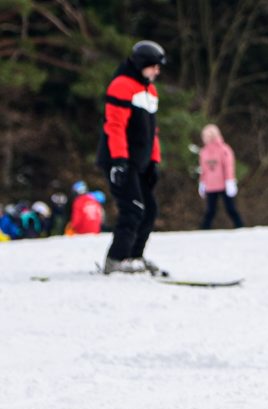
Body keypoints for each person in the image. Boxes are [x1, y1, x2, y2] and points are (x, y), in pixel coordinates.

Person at [96, 40, 167, 275]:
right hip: (120, 160)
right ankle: (115, 259)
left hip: (140, 163)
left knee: (150, 209)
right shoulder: (121, 85)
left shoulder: (150, 90)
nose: (157, 71)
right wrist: (119, 161)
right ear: (141, 65)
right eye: (153, 66)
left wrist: (154, 161)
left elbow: (152, 132)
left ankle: (134, 256)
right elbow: (114, 126)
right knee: (133, 208)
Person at [198, 124, 245, 229]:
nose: (203, 139)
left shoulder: (224, 149)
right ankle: (203, 230)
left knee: (231, 208)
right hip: (210, 186)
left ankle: (240, 227)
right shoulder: (204, 152)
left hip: (224, 185)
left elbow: (228, 167)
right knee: (210, 211)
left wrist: (230, 181)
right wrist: (202, 182)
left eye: (205, 136)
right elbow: (203, 170)